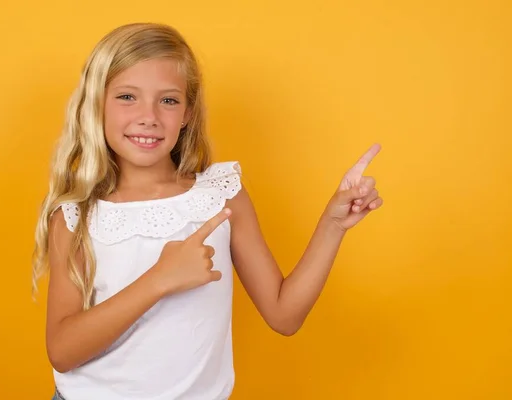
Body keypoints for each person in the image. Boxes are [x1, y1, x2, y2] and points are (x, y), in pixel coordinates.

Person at [31, 22, 383, 400]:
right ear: (96, 104)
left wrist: (333, 224)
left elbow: (284, 316)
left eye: (168, 100)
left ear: (187, 112)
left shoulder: (221, 196)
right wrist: (160, 279)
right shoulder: (77, 216)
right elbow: (63, 351)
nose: (148, 115)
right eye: (127, 97)